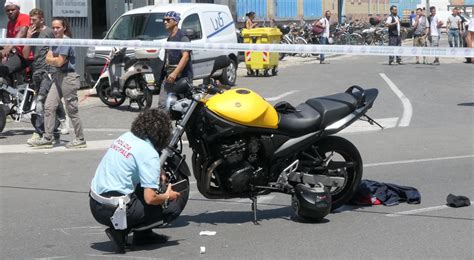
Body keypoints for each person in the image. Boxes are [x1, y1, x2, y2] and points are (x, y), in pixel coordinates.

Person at [89, 108, 182, 254]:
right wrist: (167, 196)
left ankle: (142, 233)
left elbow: (136, 162)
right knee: (172, 207)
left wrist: (158, 171)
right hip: (113, 210)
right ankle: (121, 232)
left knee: (143, 188)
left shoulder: (126, 137)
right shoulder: (149, 153)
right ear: (162, 135)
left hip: (95, 203)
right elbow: (150, 198)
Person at [31, 17, 86, 149]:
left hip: (68, 77)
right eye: (53, 27)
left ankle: (80, 139)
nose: (55, 30)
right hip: (57, 76)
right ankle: (47, 138)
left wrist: (53, 59)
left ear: (64, 28)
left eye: (58, 27)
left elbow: (59, 62)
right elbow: (48, 58)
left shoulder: (66, 41)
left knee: (72, 109)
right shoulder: (54, 41)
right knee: (49, 106)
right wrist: (53, 59)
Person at [22, 8, 69, 146]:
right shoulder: (31, 34)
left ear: (41, 20)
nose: (31, 22)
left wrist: (56, 67)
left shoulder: (49, 32)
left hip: (48, 71)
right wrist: (28, 38)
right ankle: (56, 129)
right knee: (49, 101)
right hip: (36, 72)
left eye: (34, 20)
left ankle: (39, 133)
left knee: (41, 101)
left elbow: (59, 48)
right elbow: (25, 55)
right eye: (30, 20)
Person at [158, 11, 193, 108]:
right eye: (164, 20)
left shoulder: (183, 36)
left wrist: (174, 73)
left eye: (168, 20)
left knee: (183, 106)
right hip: (169, 77)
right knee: (163, 104)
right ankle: (163, 122)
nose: (165, 22)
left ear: (176, 21)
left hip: (182, 78)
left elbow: (185, 57)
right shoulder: (170, 37)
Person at [0, 1, 30, 79]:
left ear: (18, 9)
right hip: (16, 54)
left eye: (13, 9)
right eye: (8, 10)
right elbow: (7, 41)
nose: (10, 12)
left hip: (26, 56)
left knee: (3, 70)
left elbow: (22, 33)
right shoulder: (9, 23)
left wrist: (8, 47)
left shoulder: (24, 17)